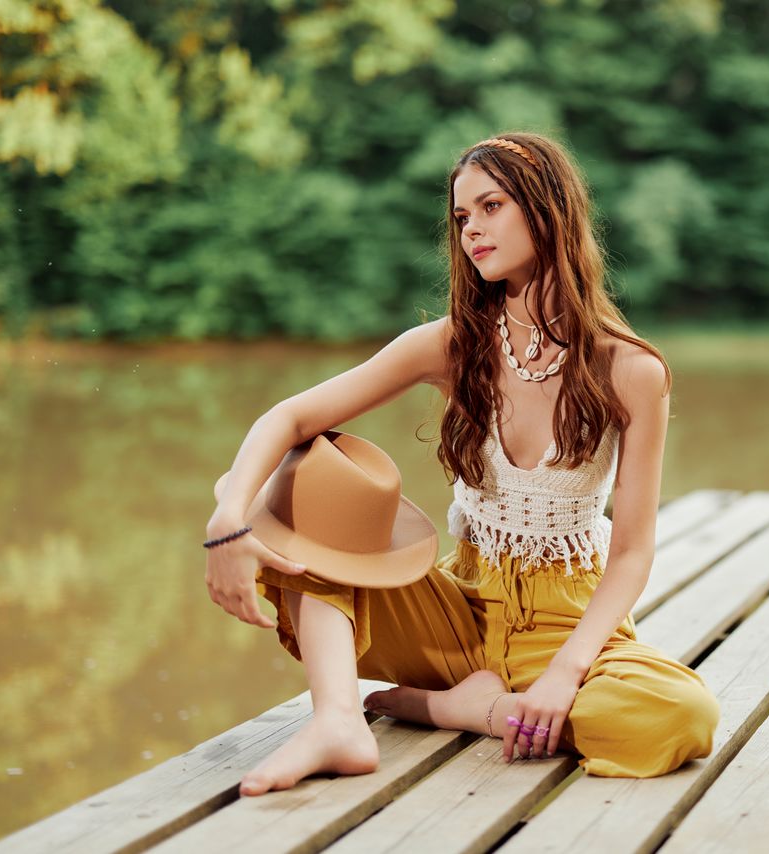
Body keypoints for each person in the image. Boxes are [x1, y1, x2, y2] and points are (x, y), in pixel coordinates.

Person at [204, 131, 720, 798]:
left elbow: (630, 554)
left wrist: (566, 674)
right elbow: (291, 419)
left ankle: (459, 709)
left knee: (681, 715)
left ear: (548, 207)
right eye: (461, 217)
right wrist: (228, 517)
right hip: (453, 615)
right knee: (315, 491)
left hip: (566, 624)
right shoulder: (451, 345)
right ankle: (337, 723)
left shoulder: (630, 370)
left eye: (491, 205)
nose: (471, 227)